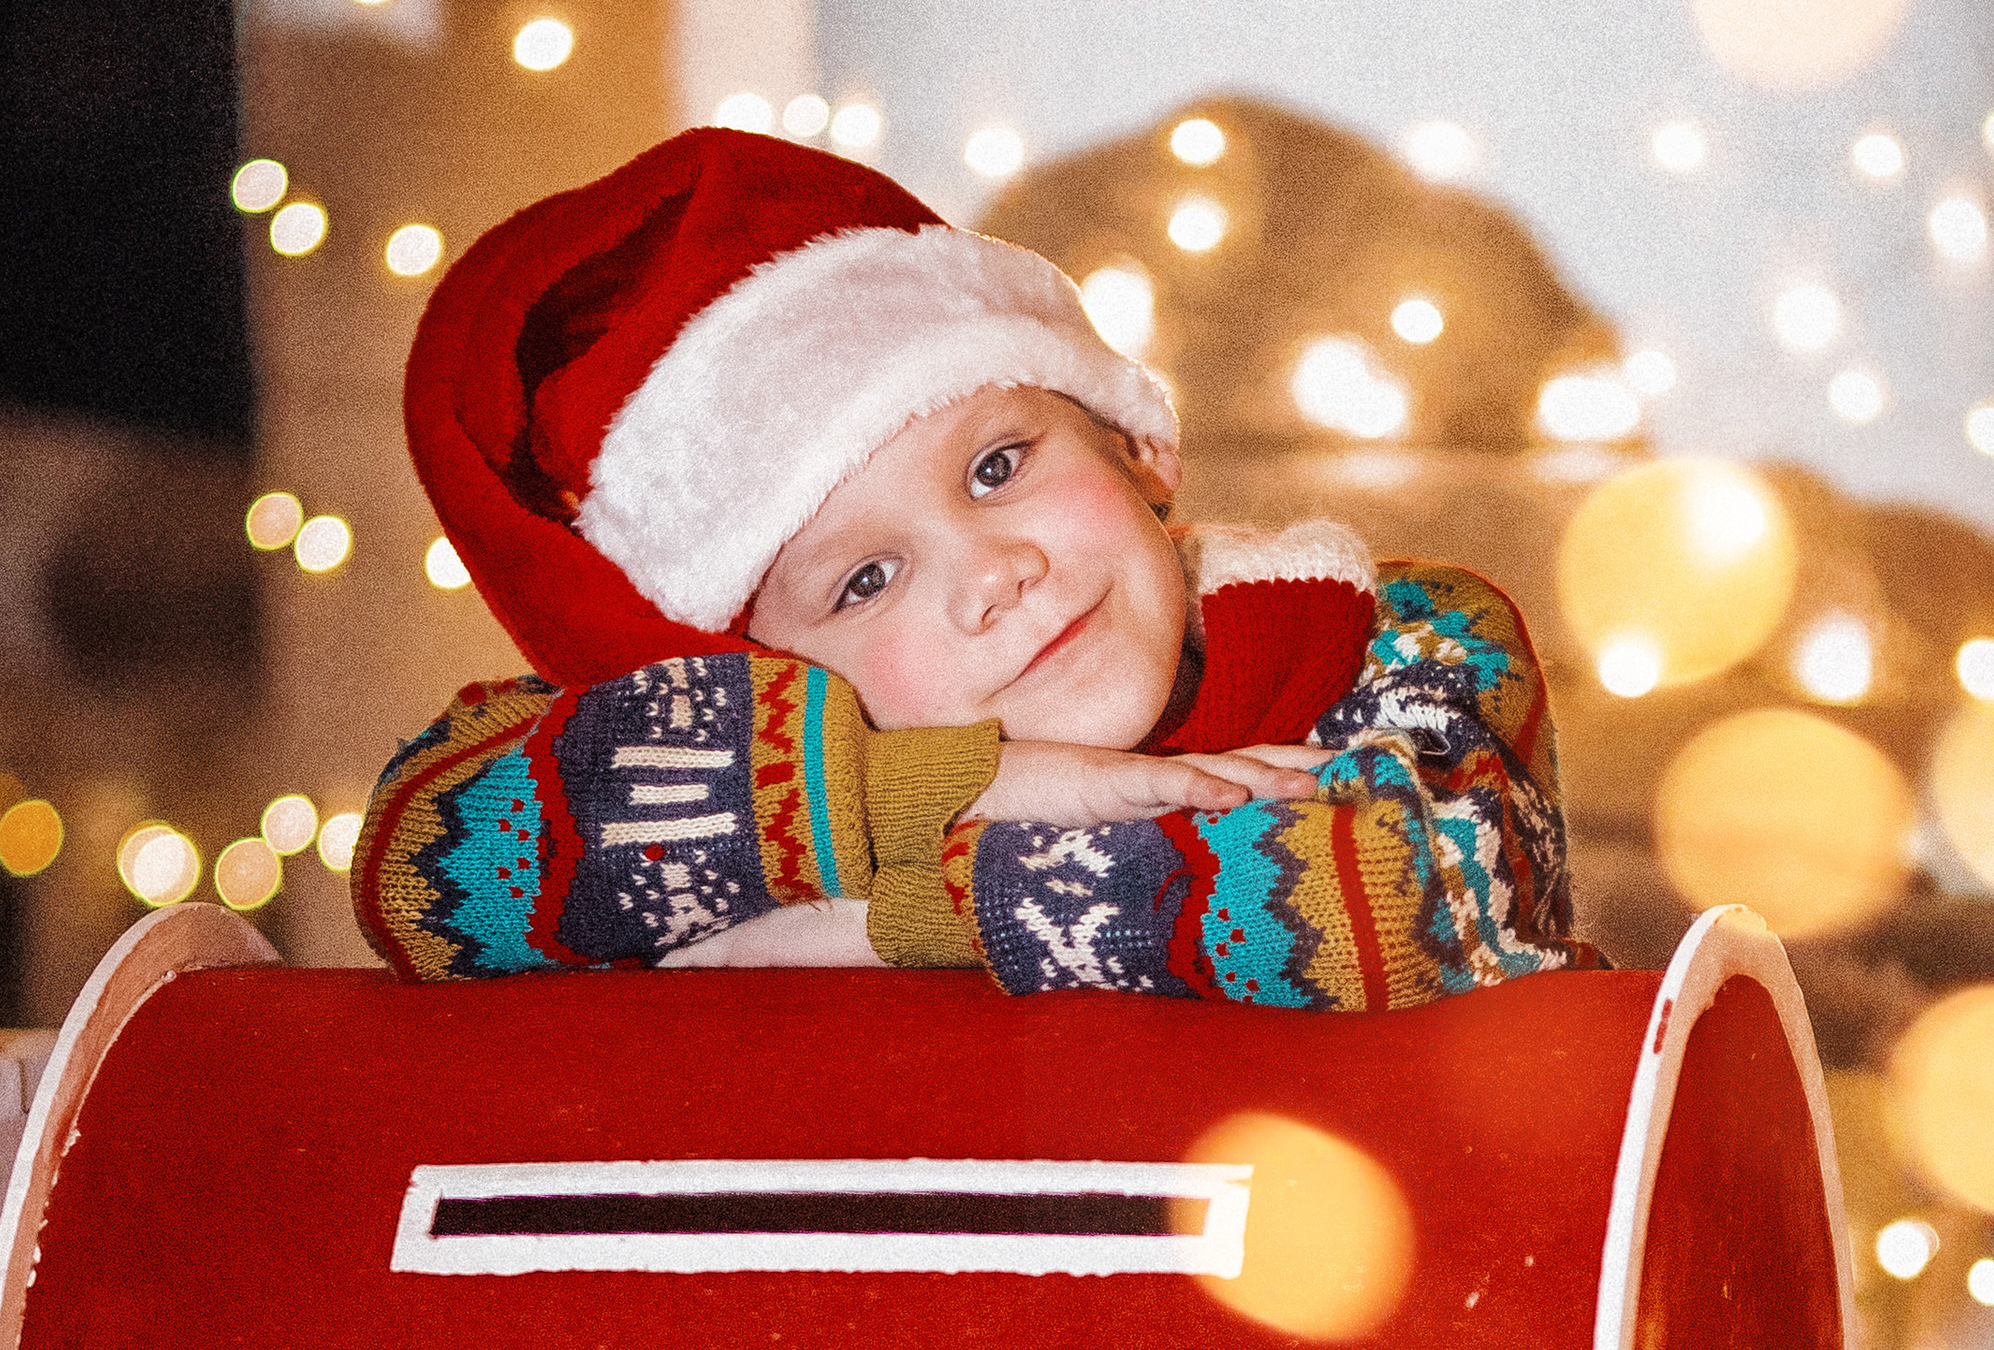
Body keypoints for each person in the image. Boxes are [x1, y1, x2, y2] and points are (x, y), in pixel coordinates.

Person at [352, 129, 1594, 1008]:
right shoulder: (783, 772)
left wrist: (889, 912)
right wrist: (920, 789)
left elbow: (1403, 896)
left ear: (1134, 446)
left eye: (996, 466)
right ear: (753, 678)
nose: (991, 572)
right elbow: (422, 866)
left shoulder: (1405, 638)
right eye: (865, 580)